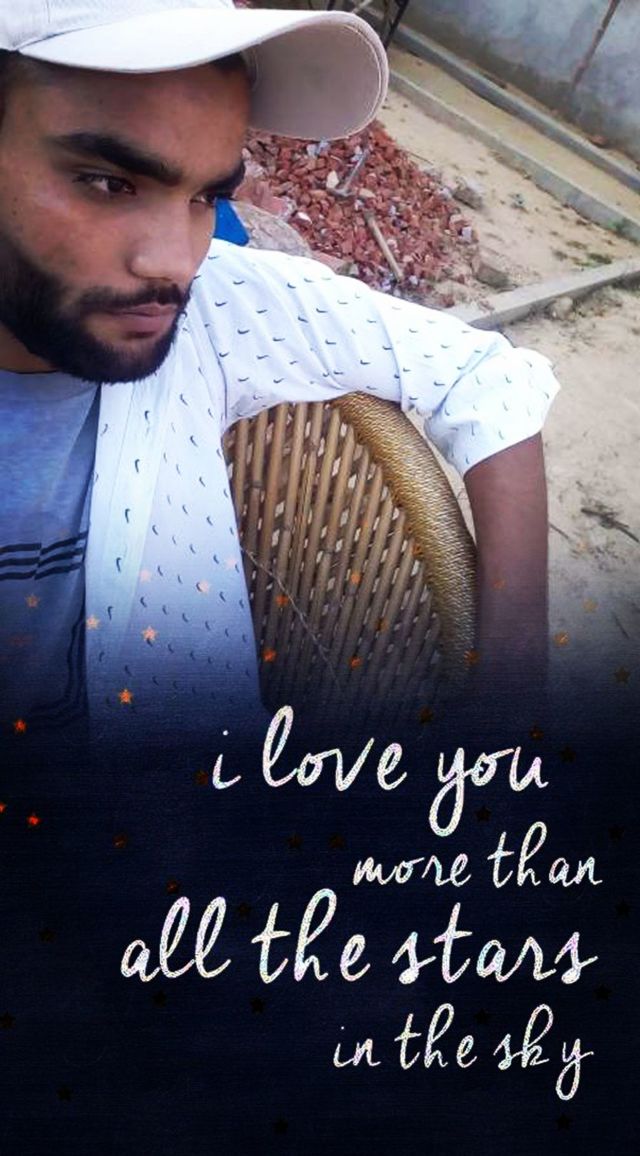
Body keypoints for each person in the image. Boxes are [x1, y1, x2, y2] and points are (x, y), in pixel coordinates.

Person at [0, 0, 558, 747]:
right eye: (108, 182)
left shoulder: (218, 309)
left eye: (208, 196)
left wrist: (512, 692)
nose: (174, 263)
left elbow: (486, 374)